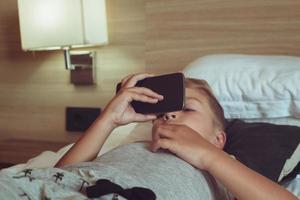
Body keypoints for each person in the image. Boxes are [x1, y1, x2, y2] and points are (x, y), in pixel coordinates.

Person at [55, 73, 298, 200]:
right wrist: (108, 120)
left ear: (219, 140)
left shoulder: (222, 166)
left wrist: (209, 156)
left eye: (188, 109)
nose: (169, 115)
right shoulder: (136, 146)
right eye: (160, 113)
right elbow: (59, 177)